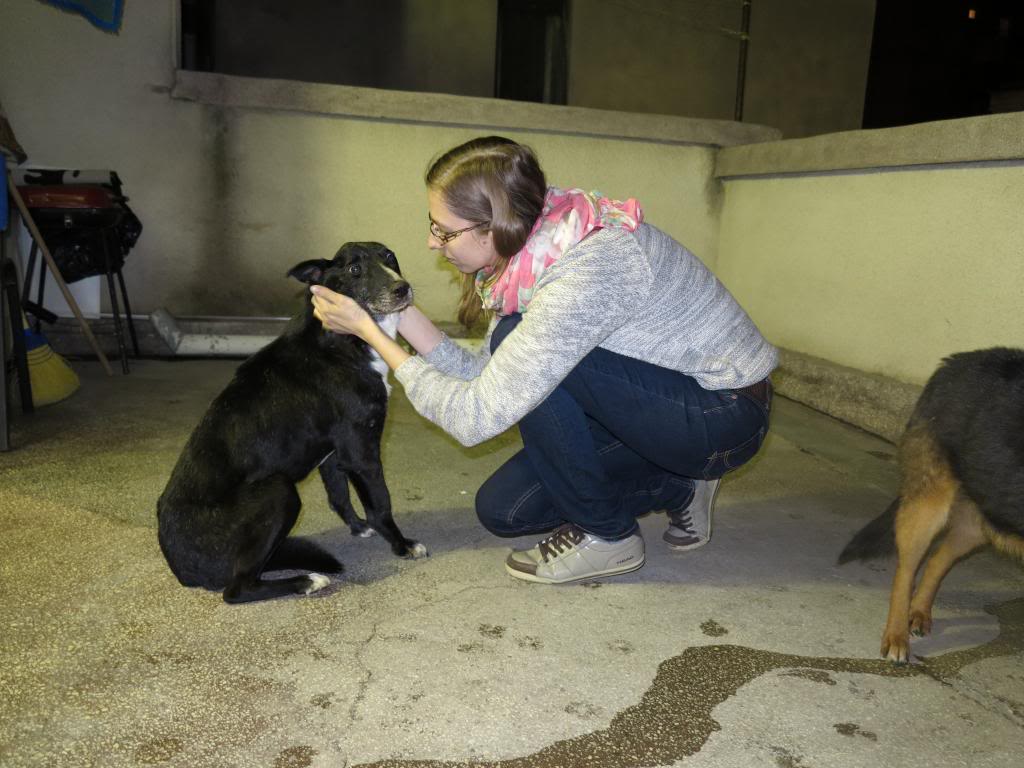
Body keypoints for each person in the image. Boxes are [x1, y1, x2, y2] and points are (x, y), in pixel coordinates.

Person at [311, 135, 777, 585]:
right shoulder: (534, 252)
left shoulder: (588, 268)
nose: (433, 243)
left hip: (723, 414)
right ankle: (681, 486)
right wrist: (396, 312)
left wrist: (371, 333)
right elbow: (487, 375)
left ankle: (610, 538)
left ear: (491, 227)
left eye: (443, 230)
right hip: (651, 405)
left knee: (521, 341)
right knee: (506, 510)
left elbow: (474, 418)